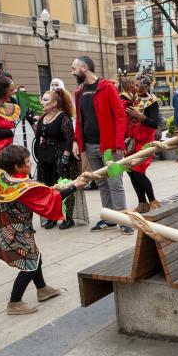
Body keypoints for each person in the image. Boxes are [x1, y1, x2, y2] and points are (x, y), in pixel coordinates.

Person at [0, 145, 87, 314]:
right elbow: (50, 199)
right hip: (17, 232)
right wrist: (75, 187)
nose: (30, 163)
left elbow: (43, 192)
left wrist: (65, 185)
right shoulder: (24, 187)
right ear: (17, 167)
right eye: (26, 162)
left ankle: (42, 289)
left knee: (35, 258)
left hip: (8, 228)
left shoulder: (3, 180)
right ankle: (14, 302)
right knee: (29, 265)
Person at [71, 55, 132, 234]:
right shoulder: (80, 92)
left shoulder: (107, 88)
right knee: (102, 184)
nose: (72, 71)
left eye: (74, 68)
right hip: (90, 147)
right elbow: (79, 120)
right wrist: (76, 141)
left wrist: (119, 143)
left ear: (84, 67)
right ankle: (110, 219)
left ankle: (124, 219)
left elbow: (120, 116)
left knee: (115, 183)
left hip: (109, 148)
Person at [34, 87, 84, 229]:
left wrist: (64, 158)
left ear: (54, 103)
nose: (41, 102)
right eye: (41, 99)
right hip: (46, 157)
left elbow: (69, 139)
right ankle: (52, 216)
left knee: (64, 186)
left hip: (60, 156)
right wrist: (31, 123)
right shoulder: (43, 118)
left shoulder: (63, 117)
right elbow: (41, 136)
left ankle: (68, 218)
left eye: (45, 100)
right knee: (48, 187)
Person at [125, 69, 161, 213]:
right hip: (132, 140)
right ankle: (142, 203)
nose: (135, 85)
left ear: (145, 85)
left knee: (139, 172)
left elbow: (154, 123)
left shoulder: (152, 101)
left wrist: (140, 117)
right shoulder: (133, 98)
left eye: (137, 83)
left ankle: (153, 201)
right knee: (130, 171)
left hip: (145, 141)